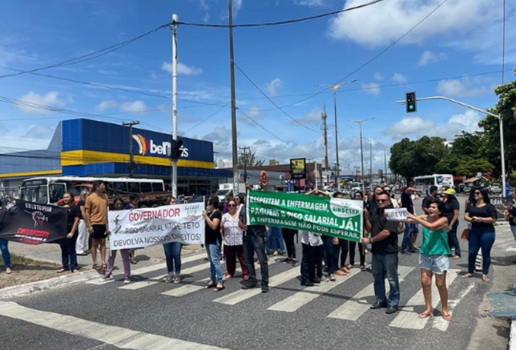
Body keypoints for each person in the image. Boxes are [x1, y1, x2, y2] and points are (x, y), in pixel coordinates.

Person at [408, 199, 452, 322]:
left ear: (440, 210)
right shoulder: (424, 217)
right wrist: (393, 214)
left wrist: (413, 217)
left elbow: (431, 227)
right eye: (430, 207)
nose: (431, 209)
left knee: (440, 284)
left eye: (434, 207)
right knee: (425, 282)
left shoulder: (443, 220)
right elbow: (408, 220)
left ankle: (444, 309)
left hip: (439, 255)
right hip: (425, 254)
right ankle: (428, 308)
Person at [361, 191, 400, 314]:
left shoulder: (393, 213)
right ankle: (380, 299)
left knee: (392, 278)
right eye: (378, 200)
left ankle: (393, 303)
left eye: (383, 200)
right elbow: (369, 228)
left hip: (389, 251)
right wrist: (366, 217)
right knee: (377, 277)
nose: (380, 202)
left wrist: (370, 240)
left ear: (389, 201)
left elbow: (386, 232)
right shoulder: (375, 212)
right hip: (377, 251)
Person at [464, 188, 498, 282]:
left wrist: (480, 219)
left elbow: (493, 219)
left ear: (483, 194)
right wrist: (472, 219)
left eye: (477, 193)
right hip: (474, 231)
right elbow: (466, 216)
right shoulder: (471, 205)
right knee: (471, 252)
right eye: (474, 193)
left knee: (485, 253)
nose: (475, 194)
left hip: (487, 231)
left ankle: (485, 273)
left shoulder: (489, 206)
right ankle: (470, 271)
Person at [240, 205, 270, 293]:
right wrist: (242, 225)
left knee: (262, 259)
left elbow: (265, 218)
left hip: (258, 235)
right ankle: (252, 280)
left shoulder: (259, 205)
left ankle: (264, 282)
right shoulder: (243, 207)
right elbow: (239, 221)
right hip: (246, 236)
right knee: (248, 259)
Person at [84, 181, 110, 271]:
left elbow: (106, 212)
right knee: (94, 244)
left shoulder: (105, 196)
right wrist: (89, 225)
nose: (104, 186)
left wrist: (107, 226)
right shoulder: (90, 198)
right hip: (94, 223)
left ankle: (103, 261)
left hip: (103, 223)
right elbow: (87, 213)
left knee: (103, 243)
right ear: (97, 186)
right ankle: (95, 262)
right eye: (102, 185)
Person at [104, 198, 131, 284]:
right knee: (111, 256)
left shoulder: (126, 214)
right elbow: (106, 221)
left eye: (121, 204)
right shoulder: (111, 214)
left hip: (123, 237)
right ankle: (108, 272)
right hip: (114, 237)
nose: (119, 206)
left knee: (125, 257)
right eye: (117, 204)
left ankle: (127, 275)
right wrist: (107, 230)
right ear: (114, 205)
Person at [221, 199, 248, 281]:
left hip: (239, 240)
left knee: (242, 258)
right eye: (229, 205)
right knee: (229, 259)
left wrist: (242, 224)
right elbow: (221, 228)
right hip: (228, 241)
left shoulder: (240, 215)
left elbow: (246, 228)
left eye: (233, 205)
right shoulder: (224, 216)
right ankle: (230, 272)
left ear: (236, 206)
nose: (231, 207)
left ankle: (246, 273)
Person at [203, 196, 224, 291]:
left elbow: (214, 226)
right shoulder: (210, 213)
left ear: (212, 205)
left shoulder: (217, 214)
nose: (207, 206)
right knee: (211, 261)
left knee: (215, 260)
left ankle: (220, 281)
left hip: (214, 240)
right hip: (208, 239)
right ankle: (213, 279)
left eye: (208, 204)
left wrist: (206, 217)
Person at [57, 192, 81, 273]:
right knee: (64, 249)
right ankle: (65, 266)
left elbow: (76, 220)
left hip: (71, 230)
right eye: (64, 197)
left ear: (71, 198)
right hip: (63, 231)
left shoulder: (75, 208)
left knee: (71, 249)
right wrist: (62, 209)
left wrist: (72, 232)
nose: (65, 199)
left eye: (67, 197)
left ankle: (74, 266)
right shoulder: (60, 208)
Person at [162, 196, 183, 283]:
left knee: (176, 255)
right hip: (166, 237)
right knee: (168, 255)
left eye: (175, 202)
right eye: (173, 202)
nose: (175, 203)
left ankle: (177, 274)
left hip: (177, 237)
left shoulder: (180, 212)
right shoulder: (162, 213)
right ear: (168, 203)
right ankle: (170, 274)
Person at [401, 182, 421, 254]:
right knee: (408, 231)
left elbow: (416, 196)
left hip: (411, 214)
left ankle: (410, 246)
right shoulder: (405, 193)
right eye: (413, 187)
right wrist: (416, 190)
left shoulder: (409, 195)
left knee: (411, 231)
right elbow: (409, 189)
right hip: (406, 215)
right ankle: (404, 247)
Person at [442, 189, 460, 259]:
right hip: (445, 221)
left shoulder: (454, 202)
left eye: (446, 194)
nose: (445, 195)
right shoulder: (446, 201)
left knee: (453, 237)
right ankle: (448, 251)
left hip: (452, 222)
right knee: (447, 237)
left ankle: (457, 252)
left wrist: (451, 224)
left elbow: (456, 214)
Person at [124, 195, 140, 264]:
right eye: (135, 200)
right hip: (128, 227)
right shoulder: (127, 207)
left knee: (133, 243)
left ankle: (131, 256)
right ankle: (132, 257)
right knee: (131, 243)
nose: (137, 202)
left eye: (137, 200)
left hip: (134, 227)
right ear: (132, 200)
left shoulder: (136, 207)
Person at [76, 190, 89, 256]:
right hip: (82, 220)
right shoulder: (81, 202)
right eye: (87, 195)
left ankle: (83, 248)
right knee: (81, 234)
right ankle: (79, 249)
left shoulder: (85, 202)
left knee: (84, 235)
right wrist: (87, 221)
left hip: (84, 220)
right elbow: (83, 212)